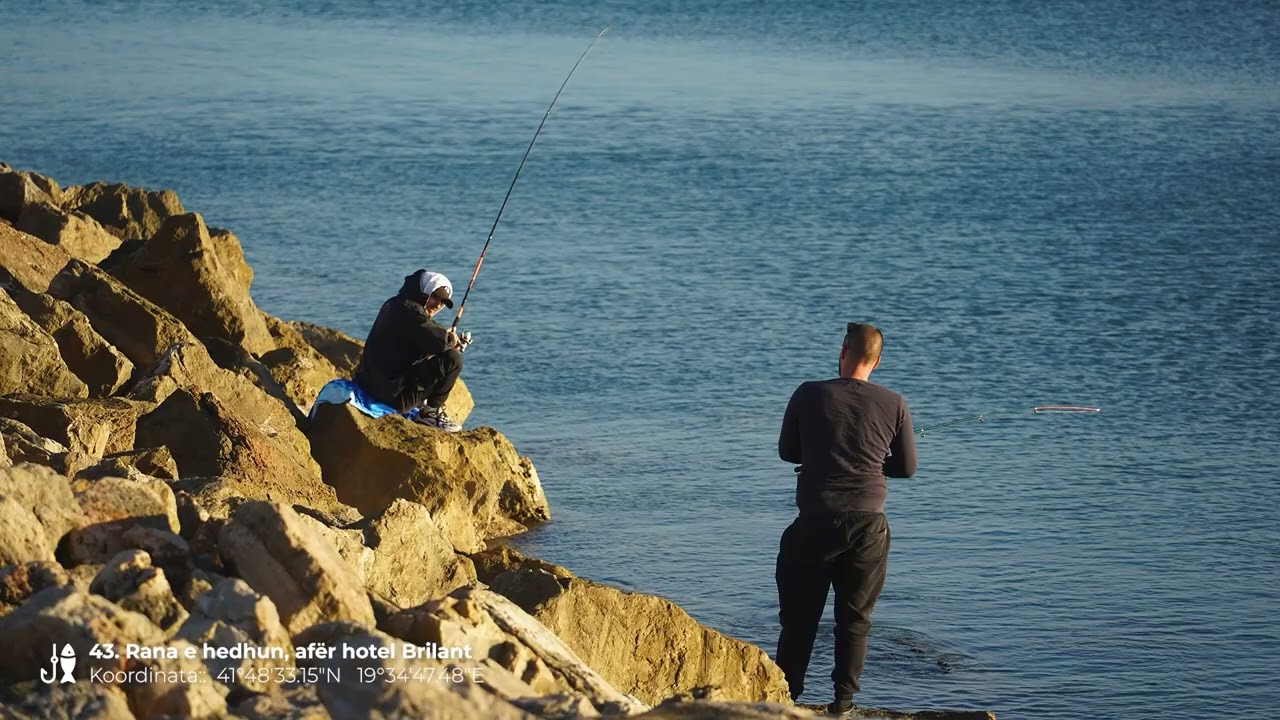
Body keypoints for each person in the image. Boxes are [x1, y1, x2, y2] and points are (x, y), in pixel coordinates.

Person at [774, 322, 917, 716]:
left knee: (800, 619)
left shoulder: (809, 393)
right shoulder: (894, 402)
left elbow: (788, 452)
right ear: (877, 360)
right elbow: (905, 468)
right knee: (855, 620)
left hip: (816, 520)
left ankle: (787, 698)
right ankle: (843, 703)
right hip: (869, 526)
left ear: (843, 351)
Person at [353, 268, 466, 432]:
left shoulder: (395, 304)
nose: (437, 305)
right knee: (452, 359)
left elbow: (421, 336)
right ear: (423, 291)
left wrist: (444, 338)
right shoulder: (411, 313)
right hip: (391, 396)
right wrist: (451, 339)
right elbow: (438, 341)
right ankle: (429, 414)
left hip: (367, 382)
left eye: (442, 302)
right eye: (434, 297)